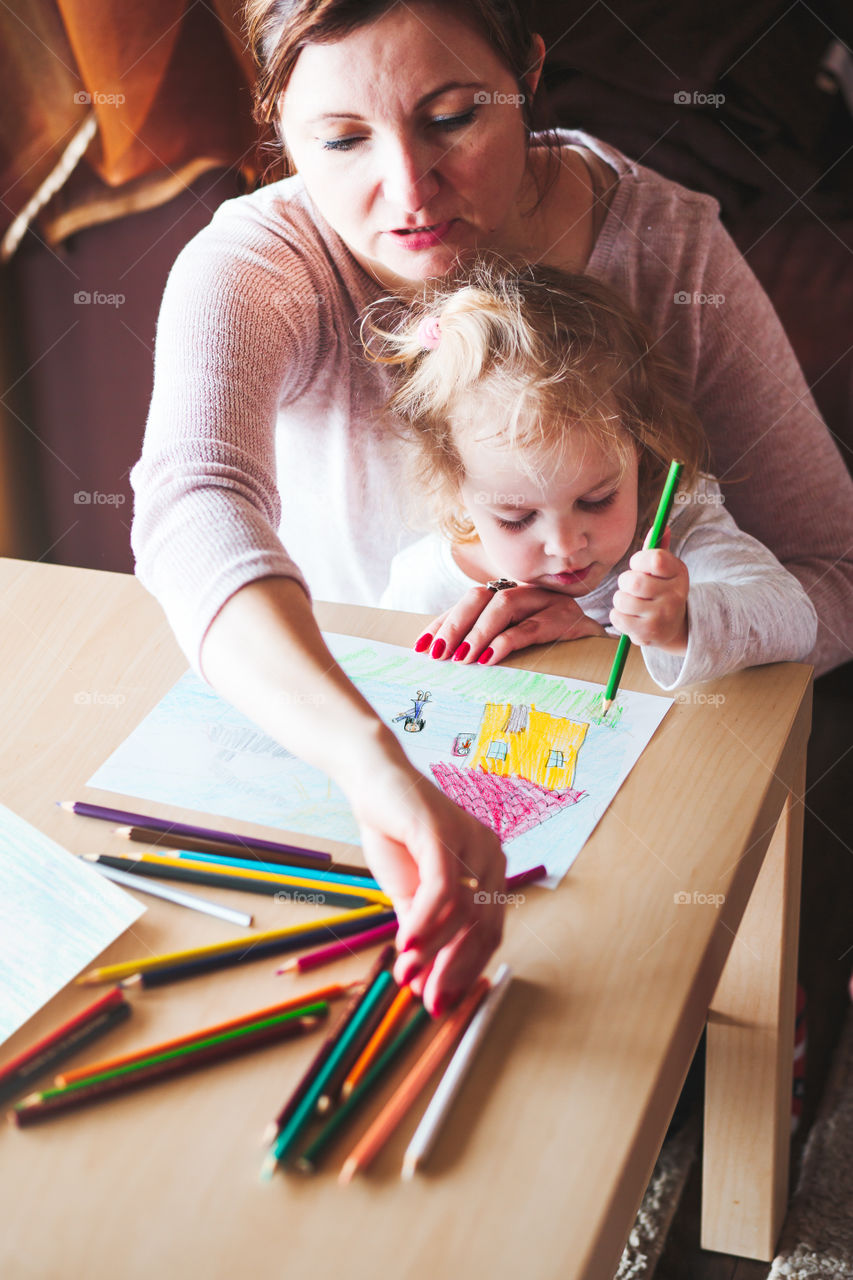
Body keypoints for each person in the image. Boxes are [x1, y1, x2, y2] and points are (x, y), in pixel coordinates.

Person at [130, 0, 853, 1016]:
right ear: (280, 130)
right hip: (345, 778)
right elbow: (190, 503)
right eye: (340, 139)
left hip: (615, 814)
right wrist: (370, 764)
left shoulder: (666, 247)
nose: (408, 190)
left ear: (529, 74)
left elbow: (835, 573)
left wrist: (617, 621)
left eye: (454, 117)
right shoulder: (260, 264)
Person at [375, 261, 818, 683]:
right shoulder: (423, 583)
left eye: (596, 499)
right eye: (517, 518)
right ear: (457, 491)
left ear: (640, 451)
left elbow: (795, 621)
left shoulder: (675, 532)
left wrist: (682, 622)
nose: (566, 545)